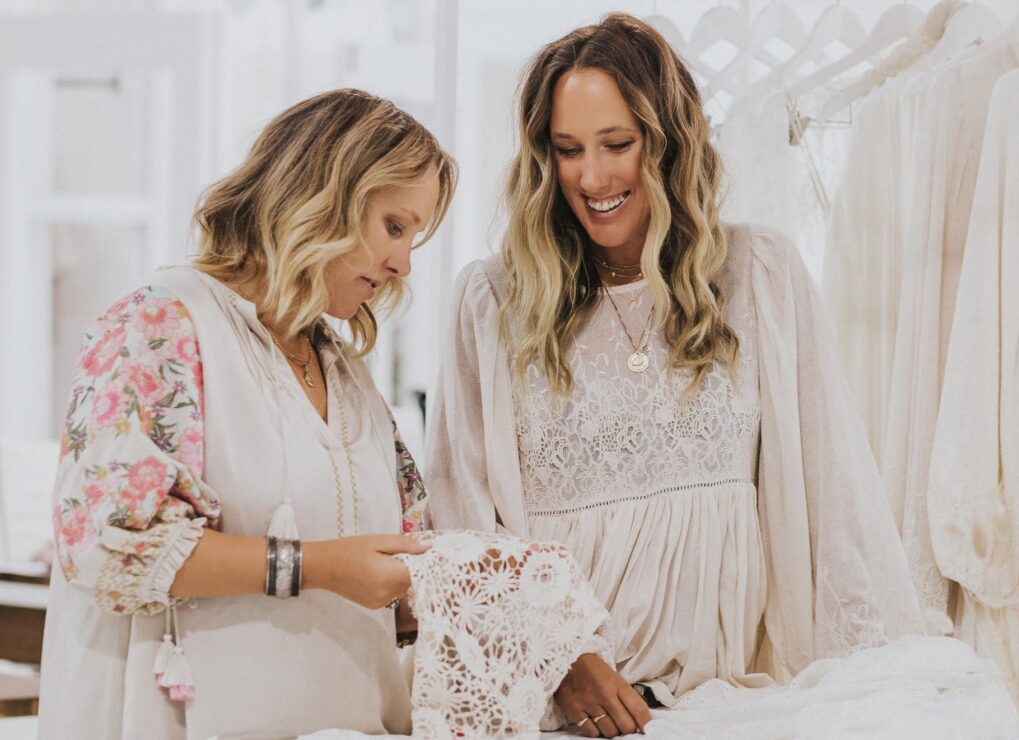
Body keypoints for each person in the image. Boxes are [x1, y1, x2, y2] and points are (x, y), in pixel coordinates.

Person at [425, 13, 927, 738]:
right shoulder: (494, 300)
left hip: (730, 705)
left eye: (618, 144)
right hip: (557, 710)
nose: (592, 177)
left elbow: (831, 500)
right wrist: (562, 656)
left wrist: (865, 681)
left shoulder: (760, 274)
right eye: (567, 150)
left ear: (669, 142)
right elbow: (462, 525)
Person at [38, 89, 455, 739]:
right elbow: (106, 545)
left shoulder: (345, 370)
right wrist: (317, 567)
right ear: (321, 196)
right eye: (394, 227)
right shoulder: (159, 326)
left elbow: (397, 561)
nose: (402, 263)